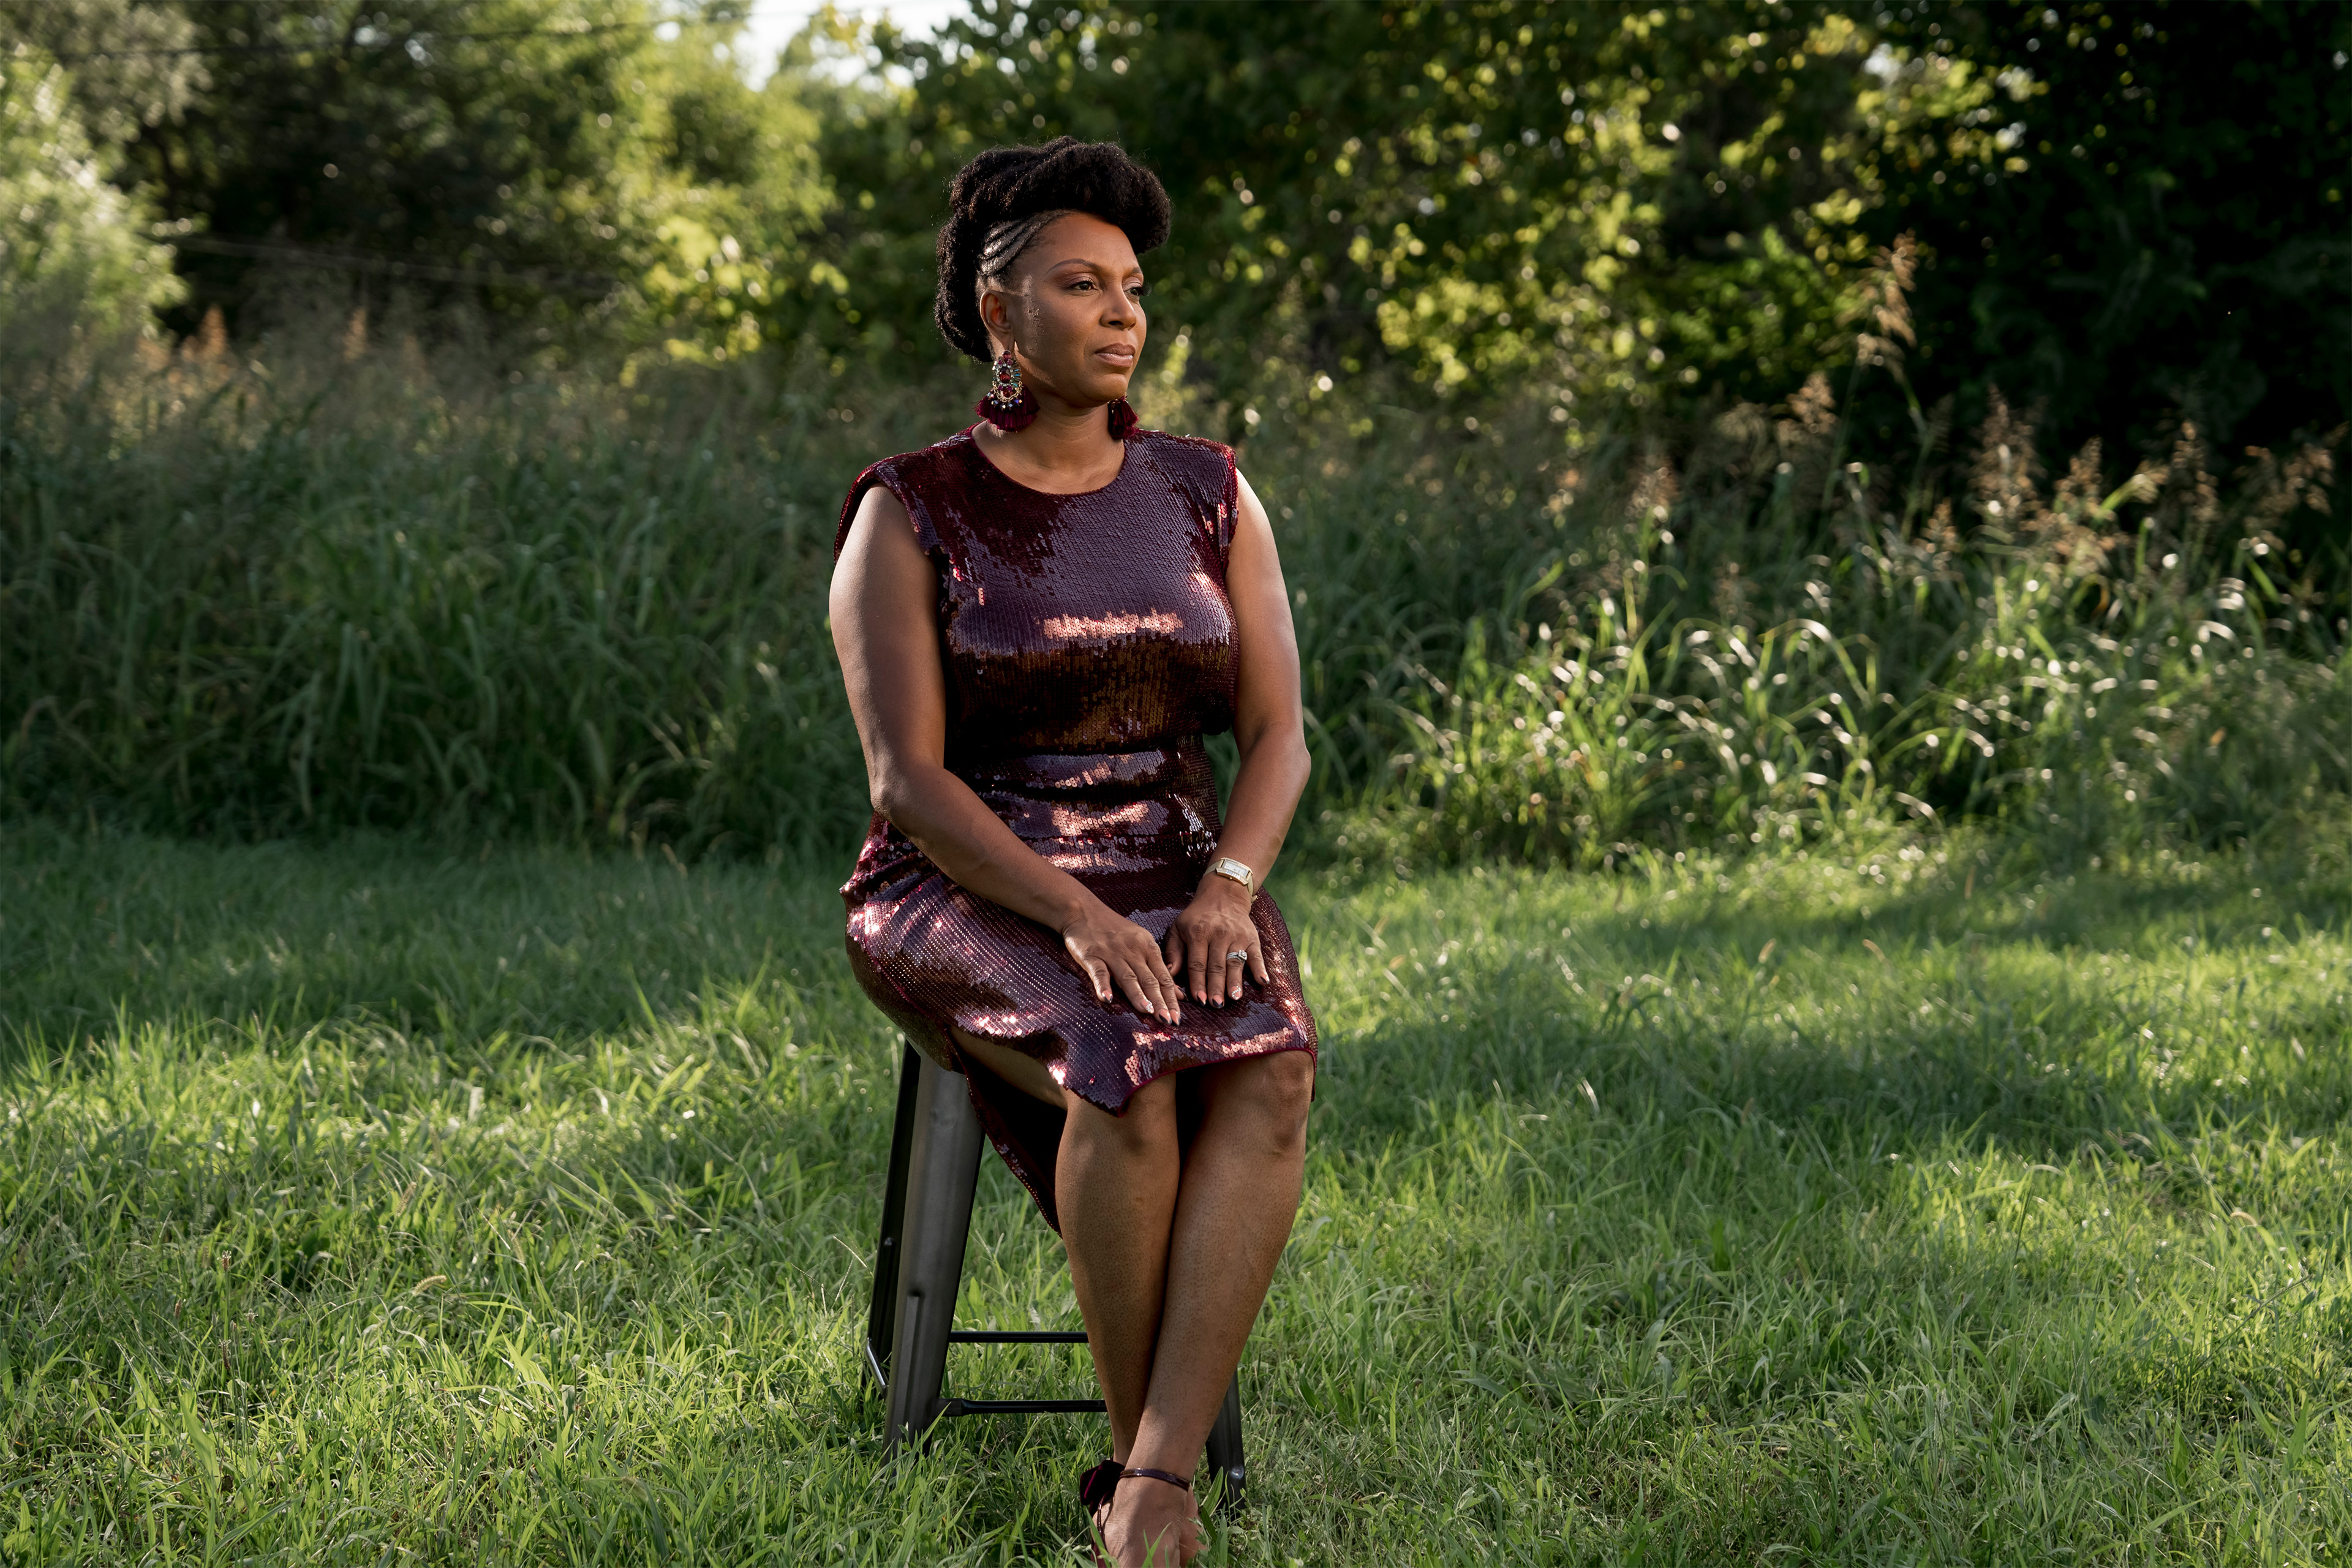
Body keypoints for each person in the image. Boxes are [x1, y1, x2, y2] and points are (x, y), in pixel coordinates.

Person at [828, 137, 1318, 1567]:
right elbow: (906, 781)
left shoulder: (1206, 487)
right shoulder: (909, 506)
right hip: (964, 877)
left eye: (1134, 287)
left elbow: (1281, 732)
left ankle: (1147, 1476)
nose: (1122, 314)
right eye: (1080, 283)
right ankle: (1149, 1477)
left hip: (1175, 860)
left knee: (1275, 1065)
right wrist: (1081, 920)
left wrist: (1226, 883)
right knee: (1127, 1061)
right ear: (1000, 310)